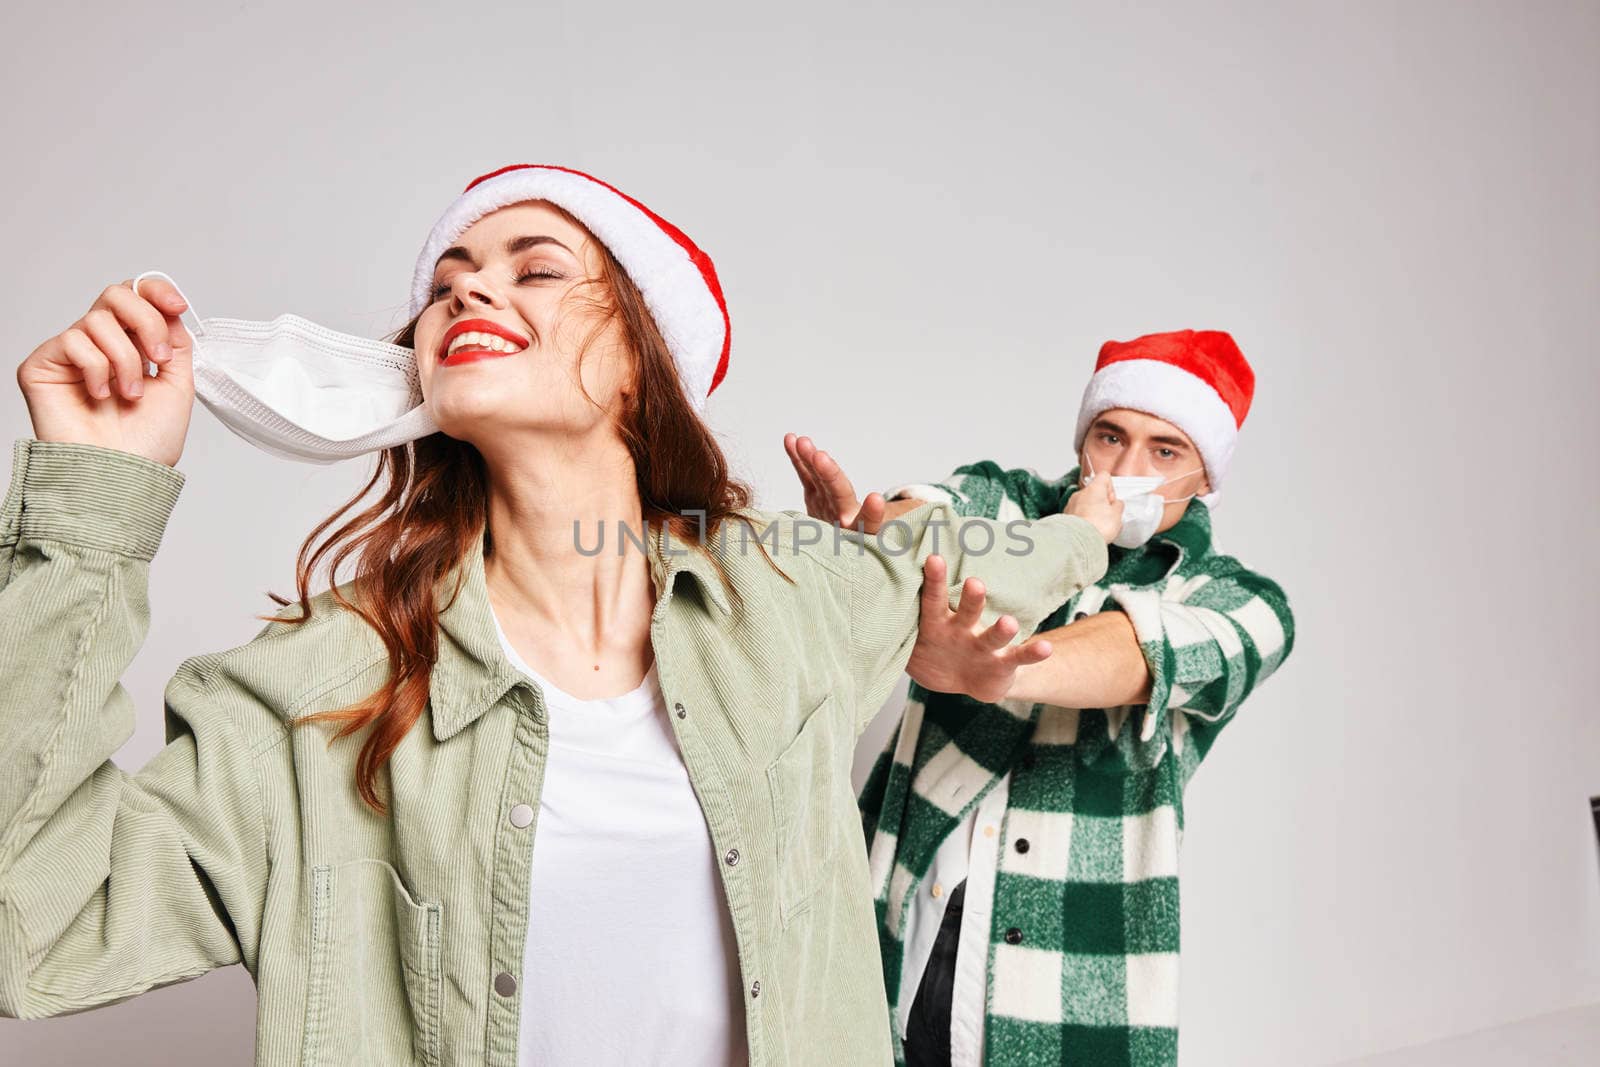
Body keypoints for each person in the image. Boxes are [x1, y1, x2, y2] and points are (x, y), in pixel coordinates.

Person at [0, 163, 1124, 1066]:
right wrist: (96, 494)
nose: (466, 292)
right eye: (447, 282)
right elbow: (30, 927)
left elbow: (962, 558)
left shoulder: (786, 598)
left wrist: (1087, 520)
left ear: (639, 361)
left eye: (535, 270)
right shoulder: (319, 687)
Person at [788, 329, 1297, 1066]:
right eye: (1111, 435)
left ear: (1206, 477)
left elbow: (1136, 652)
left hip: (1062, 984)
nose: (1124, 470)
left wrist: (994, 670)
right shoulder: (1008, 500)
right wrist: (870, 546)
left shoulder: (1241, 601)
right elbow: (910, 525)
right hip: (902, 929)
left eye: (1165, 450)